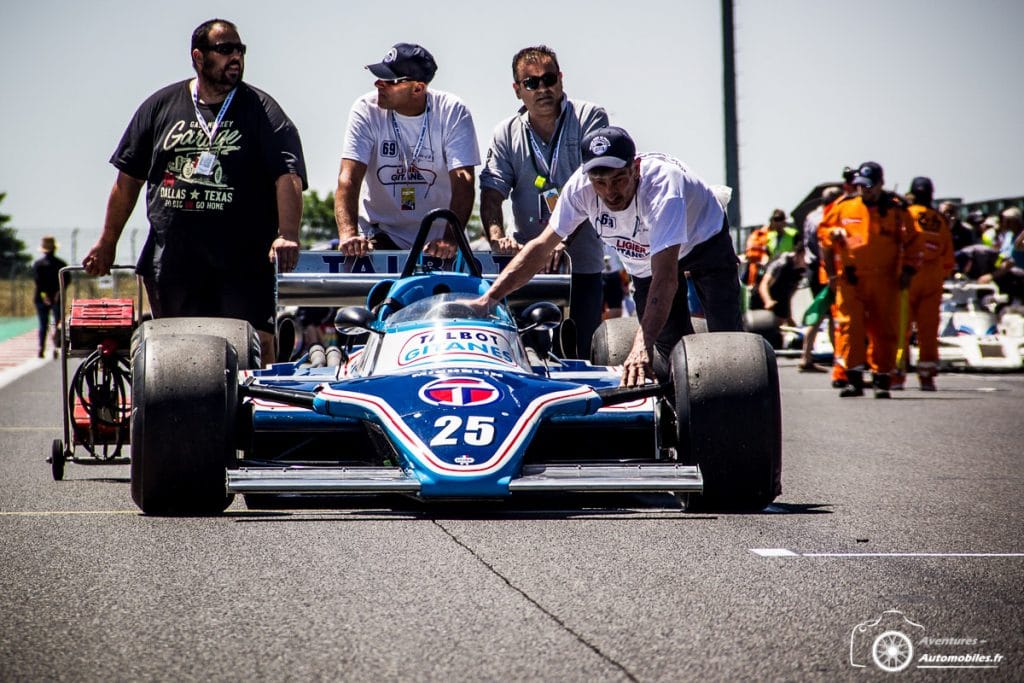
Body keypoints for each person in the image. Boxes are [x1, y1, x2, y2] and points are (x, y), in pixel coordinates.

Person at [83, 18, 307, 364]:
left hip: (242, 259)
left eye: (240, 50)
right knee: (177, 354)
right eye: (225, 49)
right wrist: (108, 240)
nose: (236, 57)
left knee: (256, 346)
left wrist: (288, 233)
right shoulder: (161, 106)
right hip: (175, 258)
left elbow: (287, 174)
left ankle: (257, 417)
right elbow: (128, 180)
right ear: (198, 57)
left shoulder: (261, 110)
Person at [469, 126, 742, 387]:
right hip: (645, 254)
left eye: (618, 180)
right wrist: (489, 298)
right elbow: (540, 248)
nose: (610, 192)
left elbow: (667, 278)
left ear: (635, 169)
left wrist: (639, 346)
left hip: (703, 237)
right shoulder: (579, 189)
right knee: (670, 347)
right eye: (600, 182)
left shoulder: (662, 188)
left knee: (727, 341)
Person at [479, 45, 608, 358]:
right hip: (526, 269)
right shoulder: (506, 133)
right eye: (531, 83)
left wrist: (557, 240)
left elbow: (597, 186)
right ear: (517, 90)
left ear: (561, 79)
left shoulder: (590, 117)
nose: (542, 88)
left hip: (581, 267)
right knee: (525, 358)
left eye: (549, 79)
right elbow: (492, 192)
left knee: (580, 356)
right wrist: (497, 237)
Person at [335, 43, 479, 260]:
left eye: (389, 81)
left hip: (437, 240)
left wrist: (449, 239)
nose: (378, 84)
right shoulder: (365, 109)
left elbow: (464, 181)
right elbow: (348, 179)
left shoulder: (452, 110)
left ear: (418, 88)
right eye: (378, 77)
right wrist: (348, 236)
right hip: (381, 234)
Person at [818, 161, 917, 398]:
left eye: (870, 186)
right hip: (851, 280)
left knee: (884, 330)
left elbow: (914, 242)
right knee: (851, 328)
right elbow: (822, 234)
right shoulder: (844, 207)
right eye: (861, 186)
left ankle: (882, 379)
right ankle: (853, 378)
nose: (865, 190)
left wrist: (908, 270)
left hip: (886, 280)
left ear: (881, 184)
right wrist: (834, 235)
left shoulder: (896, 211)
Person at [895, 177, 953, 391]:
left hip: (907, 278)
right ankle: (927, 377)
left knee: (901, 329)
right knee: (928, 331)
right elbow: (948, 259)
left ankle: (896, 376)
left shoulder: (905, 215)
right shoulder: (939, 220)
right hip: (932, 280)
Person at [798, 186, 841, 372]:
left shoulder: (811, 215)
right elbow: (825, 247)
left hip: (813, 269)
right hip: (826, 270)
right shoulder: (828, 217)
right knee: (833, 314)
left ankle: (806, 355)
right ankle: (838, 356)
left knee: (819, 313)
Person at [32, 236, 68, 359]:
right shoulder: (61, 264)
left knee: (43, 324)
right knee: (57, 323)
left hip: (41, 298)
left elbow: (38, 282)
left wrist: (44, 296)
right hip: (56, 297)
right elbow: (66, 281)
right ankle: (56, 347)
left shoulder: (38, 264)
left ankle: (41, 347)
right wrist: (58, 293)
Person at [757, 248, 807, 327]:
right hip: (763, 295)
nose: (808, 260)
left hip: (780, 295)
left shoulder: (801, 270)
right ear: (799, 254)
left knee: (782, 321)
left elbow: (789, 295)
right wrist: (767, 301)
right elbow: (763, 285)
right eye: (805, 257)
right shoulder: (781, 263)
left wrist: (788, 316)